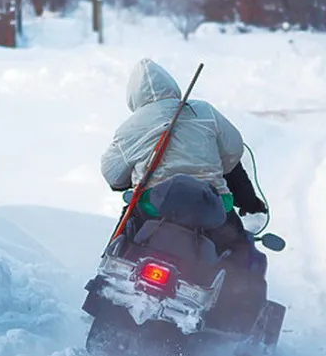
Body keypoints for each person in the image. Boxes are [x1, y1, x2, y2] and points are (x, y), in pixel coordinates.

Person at [100, 58, 268, 273]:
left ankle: (107, 273)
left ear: (133, 97)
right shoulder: (205, 111)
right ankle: (239, 292)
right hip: (212, 208)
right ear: (172, 86)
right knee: (240, 250)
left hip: (154, 209)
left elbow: (113, 175)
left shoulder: (129, 128)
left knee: (124, 238)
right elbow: (234, 150)